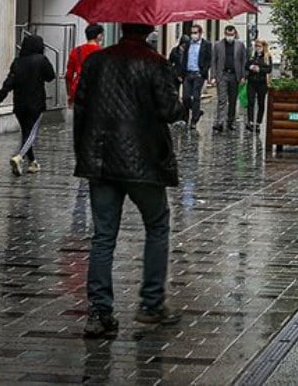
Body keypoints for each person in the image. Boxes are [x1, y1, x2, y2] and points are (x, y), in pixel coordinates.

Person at [73, 23, 187, 338]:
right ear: (148, 29)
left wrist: (83, 154)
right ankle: (151, 303)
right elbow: (170, 110)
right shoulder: (155, 63)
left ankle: (99, 312)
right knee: (157, 225)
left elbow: (80, 108)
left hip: (101, 160)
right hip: (143, 161)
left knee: (103, 236)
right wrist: (178, 93)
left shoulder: (96, 61)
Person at [0, 34, 55, 176]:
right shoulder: (41, 60)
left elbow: (9, 81)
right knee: (32, 134)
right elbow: (51, 76)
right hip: (36, 104)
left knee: (26, 133)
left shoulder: (18, 62)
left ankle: (33, 162)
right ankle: (19, 157)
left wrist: (0, 96)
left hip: (19, 104)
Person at [211, 26, 247, 133]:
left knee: (233, 100)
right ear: (224, 33)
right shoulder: (218, 45)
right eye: (228, 34)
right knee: (222, 99)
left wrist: (243, 76)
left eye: (231, 34)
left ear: (235, 34)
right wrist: (213, 76)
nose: (229, 36)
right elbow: (214, 61)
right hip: (222, 75)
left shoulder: (240, 45)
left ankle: (231, 121)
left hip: (235, 76)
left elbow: (243, 61)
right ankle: (220, 122)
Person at [173, 25, 211, 128]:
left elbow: (208, 60)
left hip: (198, 74)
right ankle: (188, 116)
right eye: (192, 33)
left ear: (200, 33)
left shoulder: (206, 44)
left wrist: (203, 72)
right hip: (188, 74)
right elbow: (184, 59)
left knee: (196, 97)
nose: (193, 35)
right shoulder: (188, 44)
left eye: (195, 33)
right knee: (185, 97)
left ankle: (194, 120)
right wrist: (181, 73)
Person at [66, 24, 104, 107]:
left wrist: (69, 94)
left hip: (78, 88)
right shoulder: (103, 53)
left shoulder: (76, 51)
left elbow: (69, 75)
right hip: (96, 91)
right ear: (99, 36)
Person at [246, 39, 272, 131]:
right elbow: (246, 65)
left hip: (262, 83)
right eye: (256, 46)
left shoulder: (267, 57)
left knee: (261, 103)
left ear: (263, 47)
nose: (257, 48)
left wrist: (259, 69)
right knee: (250, 101)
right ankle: (250, 121)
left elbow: (269, 69)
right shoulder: (253, 55)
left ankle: (258, 122)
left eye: (259, 46)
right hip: (251, 81)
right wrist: (250, 67)